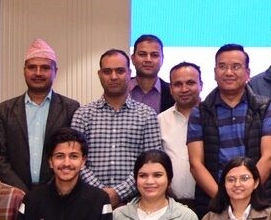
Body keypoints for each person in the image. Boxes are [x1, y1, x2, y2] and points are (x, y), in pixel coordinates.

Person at [188, 43, 271, 206]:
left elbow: (269, 157)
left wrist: (245, 194)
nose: (229, 72)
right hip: (214, 202)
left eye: (236, 67)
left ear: (248, 73)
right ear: (215, 72)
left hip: (257, 201)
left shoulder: (264, 108)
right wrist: (223, 198)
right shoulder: (200, 112)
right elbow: (196, 164)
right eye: (222, 66)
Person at [71, 49, 165, 208]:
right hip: (89, 203)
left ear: (129, 73)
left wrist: (119, 193)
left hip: (136, 204)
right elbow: (75, 159)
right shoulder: (83, 115)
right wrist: (102, 194)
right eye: (107, 71)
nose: (113, 77)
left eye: (120, 71)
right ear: (99, 75)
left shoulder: (147, 115)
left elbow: (152, 161)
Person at [0, 38, 79, 193]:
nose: (38, 73)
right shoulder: (4, 110)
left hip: (58, 193)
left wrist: (49, 190)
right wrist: (21, 191)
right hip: (14, 193)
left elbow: (74, 154)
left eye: (45, 68)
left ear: (55, 71)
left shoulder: (70, 108)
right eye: (32, 67)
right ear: (24, 70)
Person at [157, 60, 202, 196]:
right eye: (177, 84)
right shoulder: (160, 121)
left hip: (209, 200)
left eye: (190, 83)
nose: (184, 89)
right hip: (171, 201)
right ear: (171, 89)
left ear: (201, 85)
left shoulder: (214, 116)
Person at [128, 33, 174, 113]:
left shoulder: (172, 92)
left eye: (154, 55)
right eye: (142, 54)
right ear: (133, 58)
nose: (148, 60)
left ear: (162, 59)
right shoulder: (122, 88)